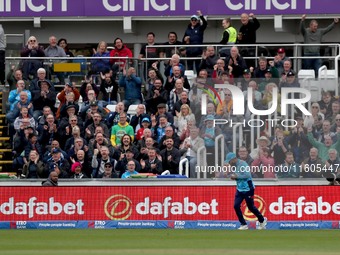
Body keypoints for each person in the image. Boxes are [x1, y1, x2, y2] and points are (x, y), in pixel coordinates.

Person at [225, 152, 267, 230]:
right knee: (236, 206)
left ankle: (262, 220)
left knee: (250, 207)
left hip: (248, 188)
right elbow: (236, 175)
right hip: (240, 189)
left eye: (229, 161)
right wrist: (230, 175)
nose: (229, 163)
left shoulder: (243, 164)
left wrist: (236, 176)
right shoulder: (234, 165)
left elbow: (247, 175)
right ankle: (243, 224)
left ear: (234, 159)